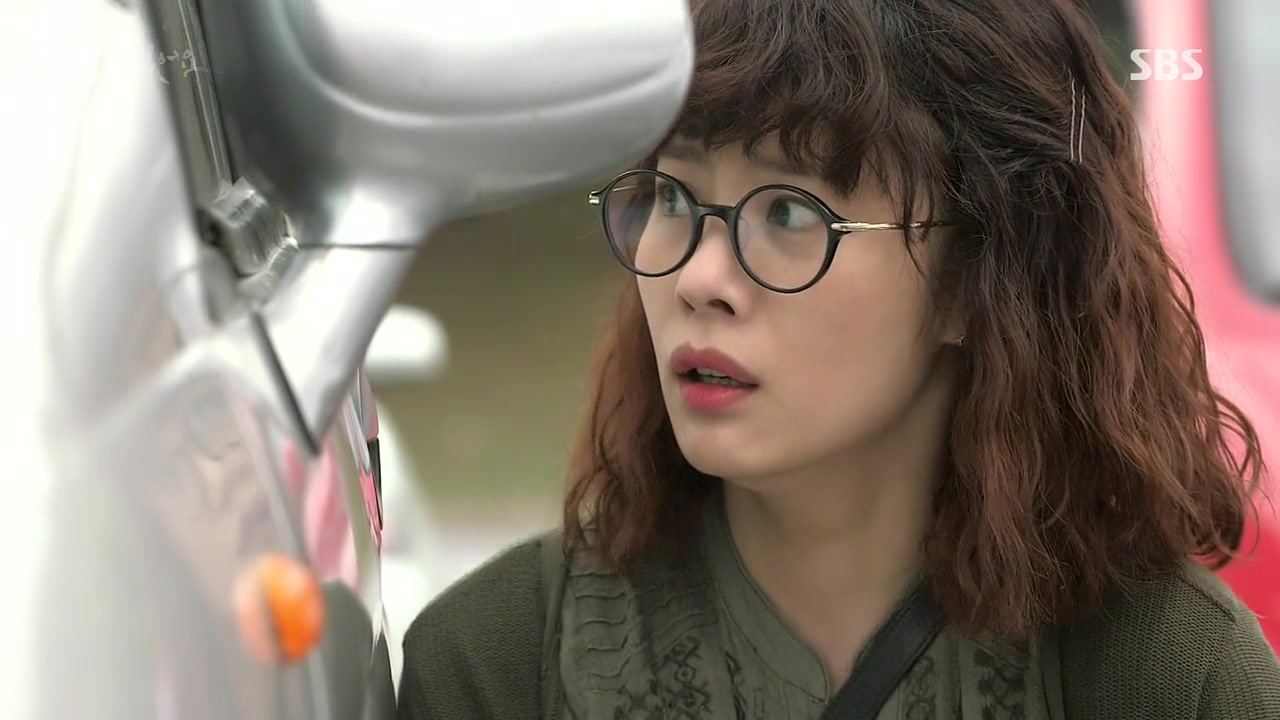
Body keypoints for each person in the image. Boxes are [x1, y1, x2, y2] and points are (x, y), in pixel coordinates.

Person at [397, 0, 1280, 717]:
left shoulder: (1169, 679)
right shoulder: (498, 665)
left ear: (976, 276)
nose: (699, 279)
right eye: (673, 196)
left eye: (788, 213)